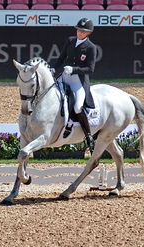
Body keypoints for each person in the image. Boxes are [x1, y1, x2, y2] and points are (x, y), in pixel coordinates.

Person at [53, 18, 97, 152]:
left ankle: (89, 135)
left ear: (88, 33)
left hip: (79, 80)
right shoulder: (70, 40)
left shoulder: (91, 48)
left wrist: (74, 69)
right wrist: (54, 68)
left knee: (78, 107)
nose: (79, 32)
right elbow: (62, 57)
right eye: (78, 30)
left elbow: (90, 69)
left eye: (83, 31)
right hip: (65, 76)